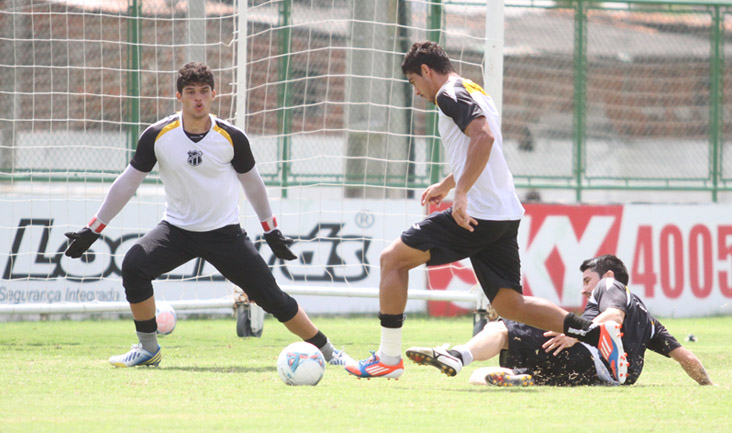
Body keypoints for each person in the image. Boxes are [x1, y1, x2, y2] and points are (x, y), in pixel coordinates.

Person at [345, 41, 628, 382]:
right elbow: (480, 144)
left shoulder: (448, 94)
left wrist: (460, 194)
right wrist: (449, 184)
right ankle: (598, 335)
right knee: (510, 305)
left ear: (425, 70)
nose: (416, 92)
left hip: (477, 214)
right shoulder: (476, 91)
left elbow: (483, 139)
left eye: (413, 82)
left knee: (392, 259)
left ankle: (388, 357)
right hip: (503, 214)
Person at [64, 62, 352, 368]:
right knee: (134, 265)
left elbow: (253, 185)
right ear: (179, 96)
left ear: (214, 95)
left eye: (203, 91)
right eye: (190, 92)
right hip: (176, 231)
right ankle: (148, 349)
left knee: (272, 298)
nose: (197, 98)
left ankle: (329, 353)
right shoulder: (157, 136)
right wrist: (93, 229)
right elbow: (127, 183)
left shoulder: (231, 137)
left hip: (224, 234)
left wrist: (271, 231)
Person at [407, 255, 713, 387]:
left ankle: (457, 356)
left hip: (591, 355)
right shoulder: (650, 322)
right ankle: (508, 376)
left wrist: (581, 334)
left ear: (607, 276)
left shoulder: (611, 287)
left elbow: (613, 317)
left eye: (586, 280)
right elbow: (685, 357)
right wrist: (709, 384)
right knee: (505, 371)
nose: (583, 288)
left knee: (501, 327)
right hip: (596, 377)